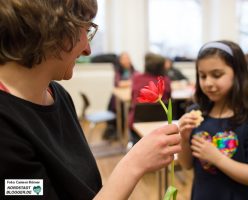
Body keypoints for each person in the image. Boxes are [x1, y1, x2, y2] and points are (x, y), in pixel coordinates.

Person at [0, 1, 181, 199]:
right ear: (51, 32)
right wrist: (134, 164)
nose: (88, 49)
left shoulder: (58, 94)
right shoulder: (5, 127)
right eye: (85, 30)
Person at [178, 40, 248, 200]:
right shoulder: (195, 112)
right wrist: (184, 140)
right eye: (202, 76)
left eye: (217, 75)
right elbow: (186, 165)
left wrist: (217, 158)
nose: (207, 83)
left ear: (237, 74)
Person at [128, 53, 172, 146]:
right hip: (161, 124)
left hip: (137, 124)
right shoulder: (165, 81)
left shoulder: (136, 78)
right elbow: (169, 99)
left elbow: (132, 98)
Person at [103, 52, 137, 140]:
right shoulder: (118, 71)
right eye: (124, 58)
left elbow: (137, 80)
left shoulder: (133, 70)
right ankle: (119, 132)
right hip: (117, 100)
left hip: (128, 97)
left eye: (128, 58)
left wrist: (126, 83)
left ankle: (129, 133)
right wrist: (130, 82)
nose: (127, 60)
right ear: (120, 61)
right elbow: (118, 83)